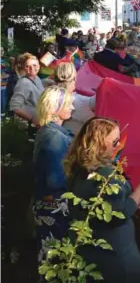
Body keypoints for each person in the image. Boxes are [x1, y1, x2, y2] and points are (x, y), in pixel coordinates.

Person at [65, 117, 140, 282]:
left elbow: (104, 207)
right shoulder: (105, 176)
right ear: (100, 144)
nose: (119, 146)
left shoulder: (80, 169)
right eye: (115, 142)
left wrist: (138, 200)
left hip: (91, 252)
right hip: (115, 258)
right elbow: (119, 213)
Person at [33, 86, 75, 261]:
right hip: (55, 209)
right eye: (68, 105)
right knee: (56, 261)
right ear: (55, 108)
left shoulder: (48, 131)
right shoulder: (55, 138)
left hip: (47, 207)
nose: (72, 108)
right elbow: (55, 181)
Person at [53, 62, 96, 135]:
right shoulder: (72, 100)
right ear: (74, 78)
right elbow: (94, 123)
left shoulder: (50, 95)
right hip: (72, 142)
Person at [9, 53, 45, 126]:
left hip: (39, 120)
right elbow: (14, 107)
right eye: (28, 66)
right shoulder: (23, 83)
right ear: (24, 68)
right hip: (29, 125)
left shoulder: (37, 78)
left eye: (34, 65)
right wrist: (32, 119)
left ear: (39, 66)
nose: (32, 68)